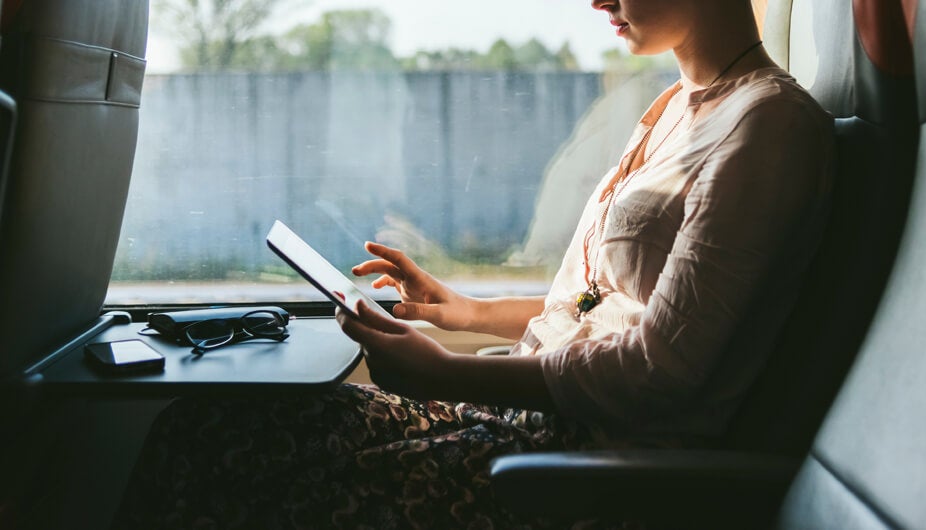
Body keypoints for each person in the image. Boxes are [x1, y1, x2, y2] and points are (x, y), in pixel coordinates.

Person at [114, 0, 834, 527]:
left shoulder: (769, 128)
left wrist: (447, 368)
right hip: (520, 417)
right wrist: (462, 312)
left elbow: (659, 371)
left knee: (225, 464)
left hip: (582, 462)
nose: (597, 3)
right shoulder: (676, 107)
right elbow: (599, 304)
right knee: (205, 423)